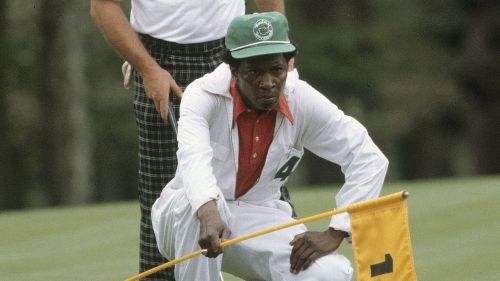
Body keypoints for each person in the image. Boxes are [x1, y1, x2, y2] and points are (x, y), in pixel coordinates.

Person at [151, 12, 389, 281]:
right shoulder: (201, 95)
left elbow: (369, 158)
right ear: (233, 70)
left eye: (276, 70)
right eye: (254, 71)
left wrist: (337, 231)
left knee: (330, 274)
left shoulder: (302, 99)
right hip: (187, 218)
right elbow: (193, 159)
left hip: (259, 215)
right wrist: (207, 210)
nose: (267, 83)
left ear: (287, 66)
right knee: (190, 202)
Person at [90, 1, 295, 280]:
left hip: (242, 55)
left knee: (265, 184)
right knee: (167, 202)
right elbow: (102, 5)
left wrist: (276, 47)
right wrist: (148, 70)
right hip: (160, 63)